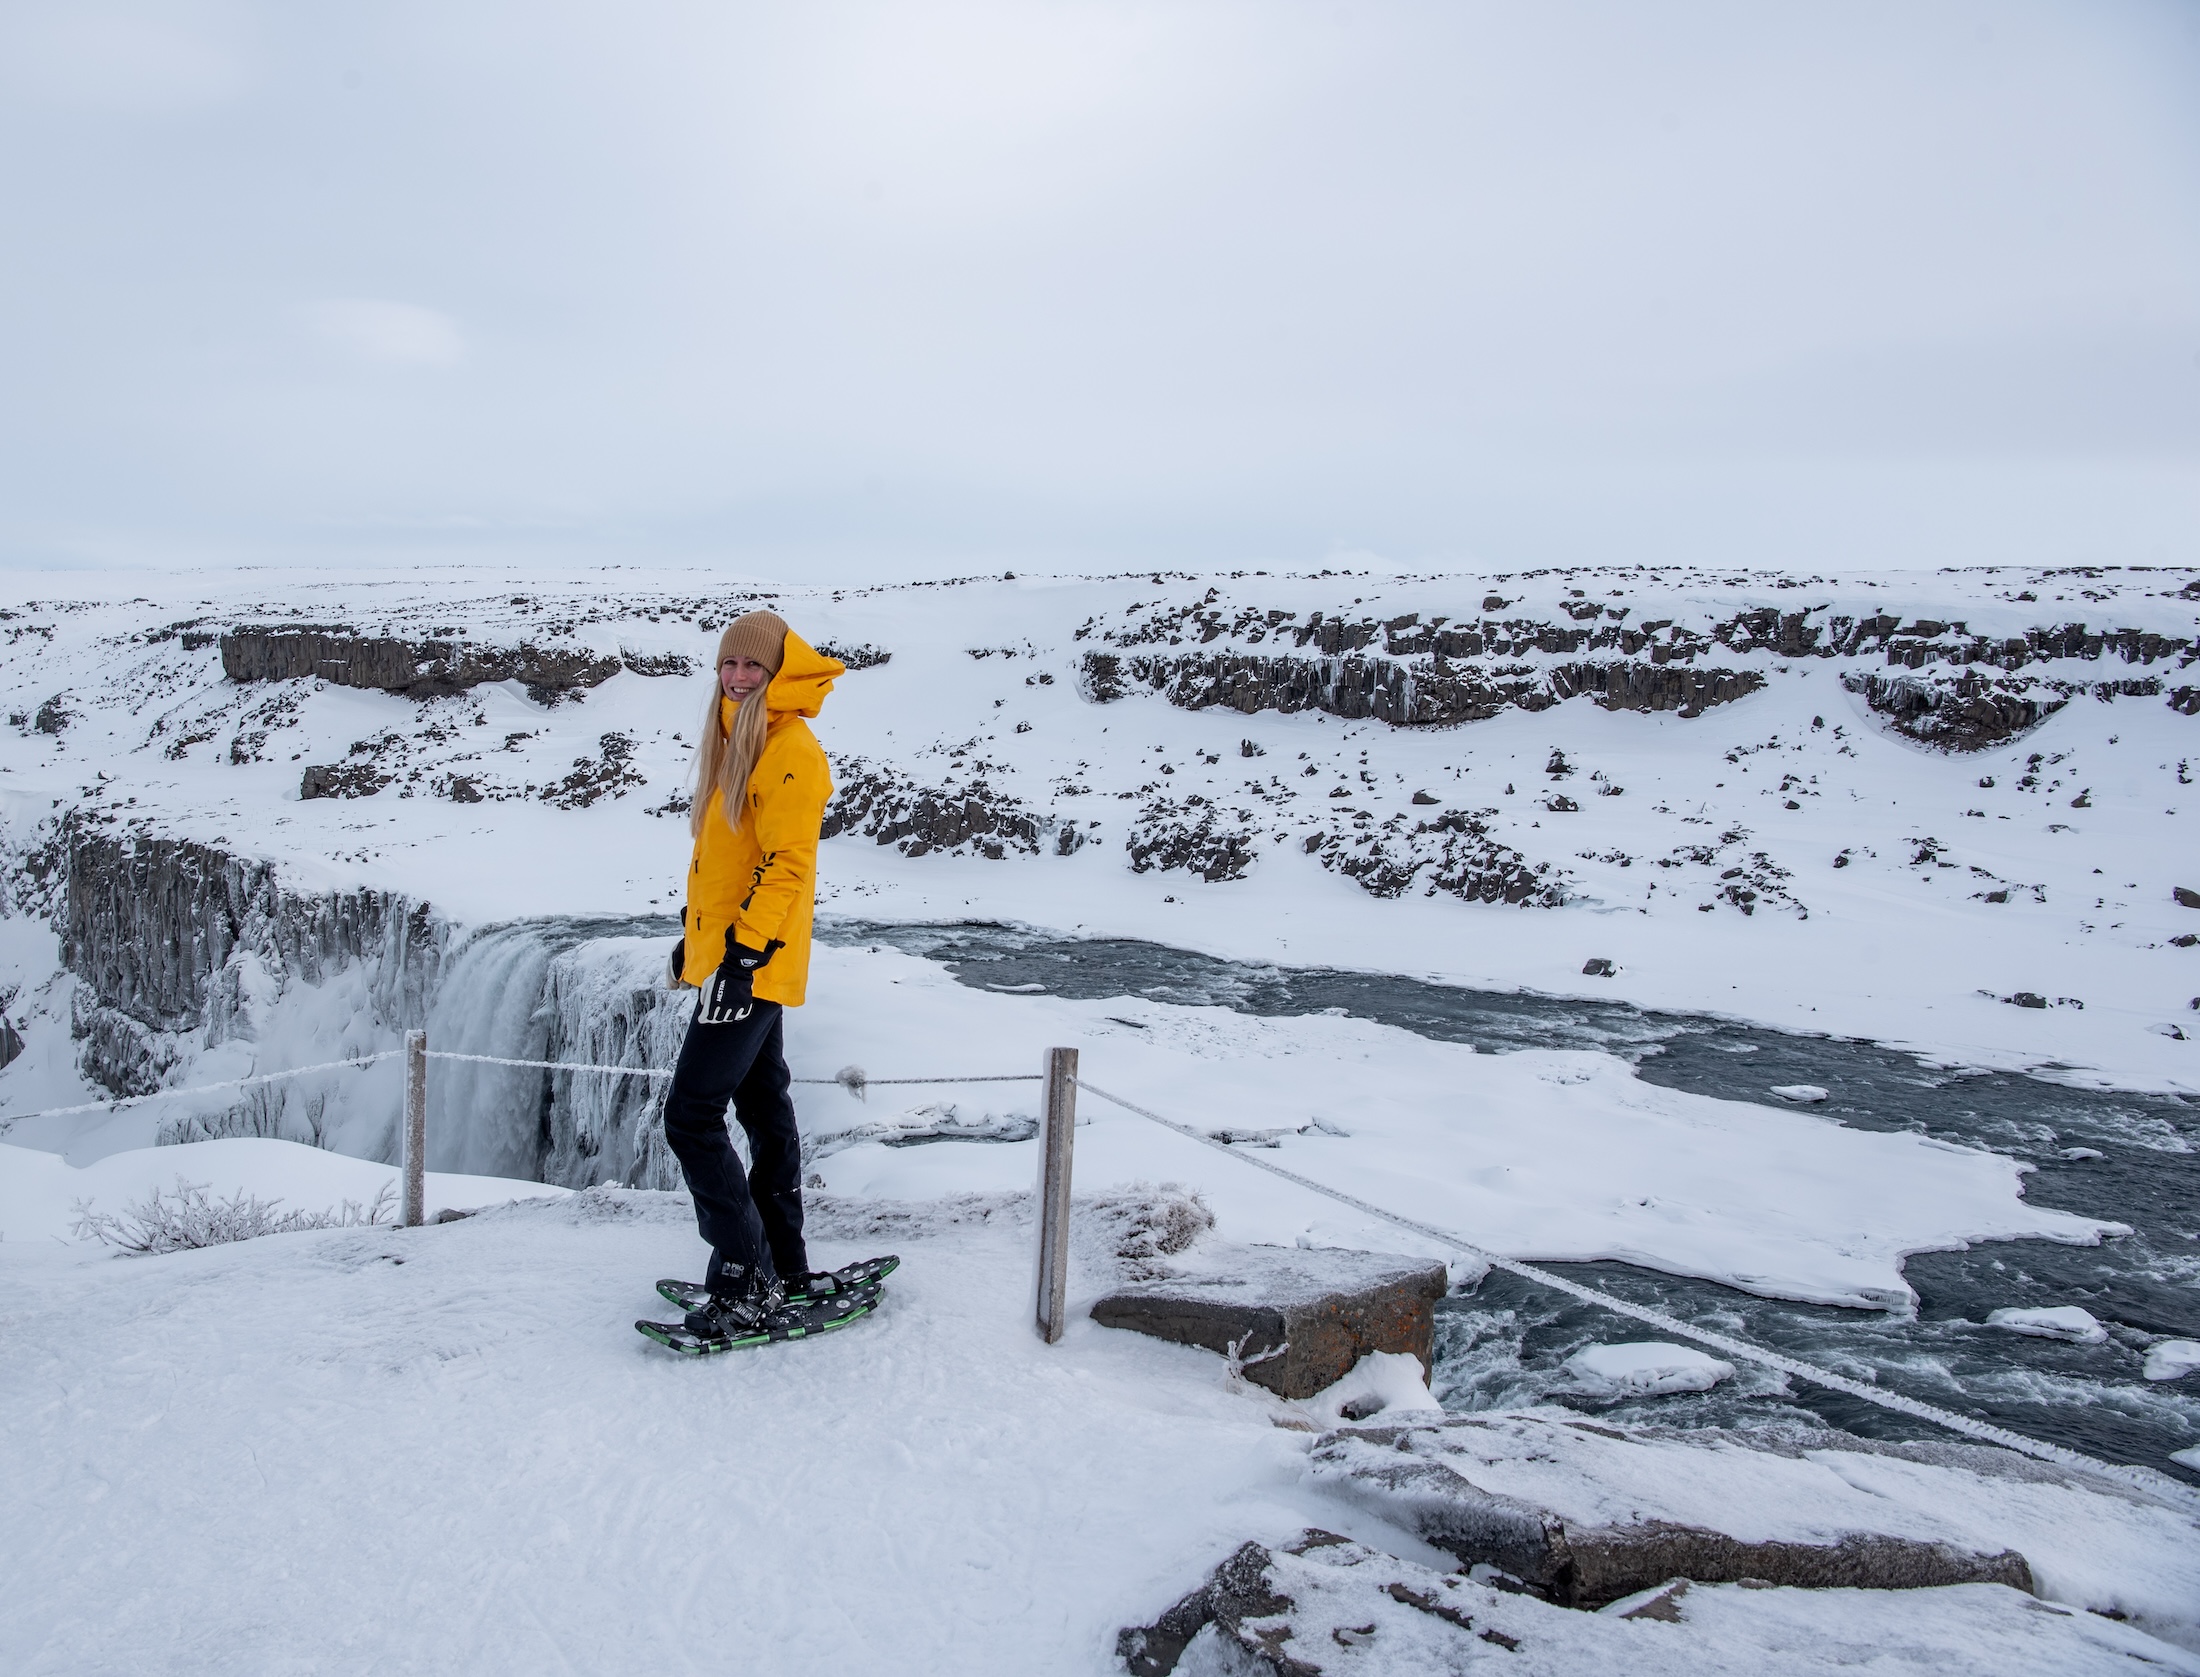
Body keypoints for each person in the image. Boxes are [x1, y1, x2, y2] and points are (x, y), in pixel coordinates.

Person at [644, 609, 858, 1348]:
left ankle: (743, 1272)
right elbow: (726, 865)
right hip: (739, 959)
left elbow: (787, 868)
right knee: (764, 1105)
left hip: (755, 969)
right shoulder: (739, 736)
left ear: (775, 674)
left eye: (752, 668)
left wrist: (738, 962)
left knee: (691, 1115)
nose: (737, 678)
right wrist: (695, 946)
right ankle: (784, 1262)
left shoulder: (791, 749)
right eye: (729, 666)